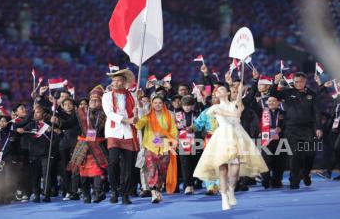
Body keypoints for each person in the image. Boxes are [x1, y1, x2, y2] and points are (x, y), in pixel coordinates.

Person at [194, 82, 268, 211]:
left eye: (222, 89)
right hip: (222, 136)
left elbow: (239, 106)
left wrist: (239, 92)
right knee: (223, 169)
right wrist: (234, 114)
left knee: (235, 169)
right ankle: (223, 198)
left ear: (228, 93)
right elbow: (223, 113)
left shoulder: (236, 104)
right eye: (217, 90)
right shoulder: (214, 107)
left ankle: (231, 190)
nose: (219, 91)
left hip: (237, 135)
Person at [270, 72, 323, 189]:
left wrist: (318, 127)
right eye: (296, 82)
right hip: (291, 130)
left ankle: (305, 173)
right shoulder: (287, 92)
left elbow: (317, 113)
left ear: (305, 82)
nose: (298, 84)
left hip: (308, 129)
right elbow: (273, 94)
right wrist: (275, 82)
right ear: (293, 82)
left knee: (310, 154)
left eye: (301, 82)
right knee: (295, 155)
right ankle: (294, 180)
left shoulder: (312, 95)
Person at [102, 68, 139, 205]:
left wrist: (137, 113)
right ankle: (114, 189)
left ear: (124, 82)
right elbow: (109, 113)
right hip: (114, 132)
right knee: (113, 163)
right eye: (114, 80)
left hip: (129, 133)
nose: (115, 83)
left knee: (128, 166)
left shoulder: (132, 96)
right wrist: (126, 120)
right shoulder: (107, 96)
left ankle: (125, 193)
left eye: (118, 80)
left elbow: (138, 114)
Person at [67, 85, 108, 203]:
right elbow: (68, 124)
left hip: (97, 146)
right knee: (83, 173)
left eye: (97, 100)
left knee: (97, 172)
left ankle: (97, 193)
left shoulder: (106, 114)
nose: (94, 102)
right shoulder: (80, 113)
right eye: (92, 100)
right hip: (83, 146)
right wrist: (57, 121)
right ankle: (86, 195)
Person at [135, 95, 178, 203]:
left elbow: (173, 132)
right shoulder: (147, 116)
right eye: (155, 103)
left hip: (164, 147)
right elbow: (138, 126)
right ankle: (153, 193)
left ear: (163, 104)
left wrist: (164, 135)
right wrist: (136, 119)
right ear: (152, 104)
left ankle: (158, 189)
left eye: (159, 103)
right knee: (152, 170)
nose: (157, 105)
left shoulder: (168, 116)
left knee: (162, 171)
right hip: (150, 147)